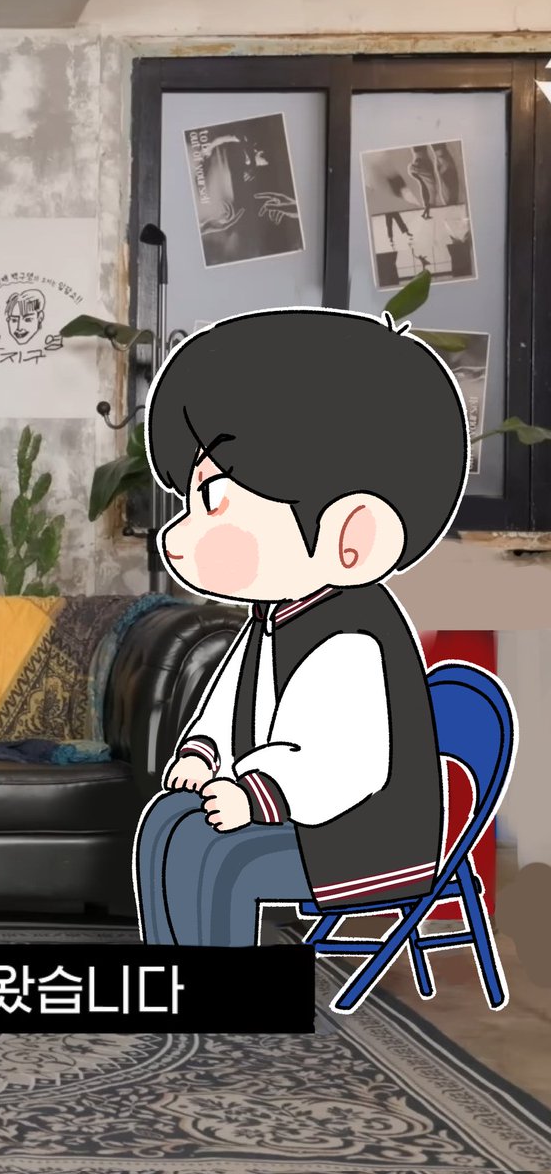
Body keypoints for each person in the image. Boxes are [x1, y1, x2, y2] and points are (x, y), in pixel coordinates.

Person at [133, 307, 479, 956]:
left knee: (219, 855)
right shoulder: (273, 615)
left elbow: (343, 766)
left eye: (213, 503)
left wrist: (255, 796)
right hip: (289, 813)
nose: (179, 534)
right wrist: (203, 756)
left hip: (360, 837)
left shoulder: (355, 636)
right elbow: (226, 706)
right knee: (166, 823)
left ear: (353, 536)